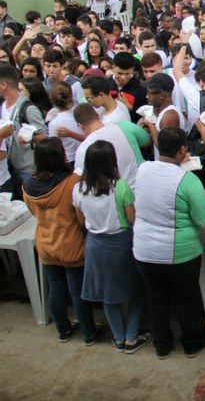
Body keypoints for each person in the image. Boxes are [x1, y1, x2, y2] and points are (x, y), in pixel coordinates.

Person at [132, 127, 205, 359]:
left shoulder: (144, 169)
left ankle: (162, 344)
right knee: (186, 298)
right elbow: (203, 217)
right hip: (177, 252)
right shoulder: (186, 180)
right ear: (182, 150)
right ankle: (192, 342)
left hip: (144, 249)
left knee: (156, 299)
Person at [73, 140, 149, 354]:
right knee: (135, 290)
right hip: (121, 243)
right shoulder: (120, 186)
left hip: (95, 244)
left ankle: (118, 337)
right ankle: (132, 337)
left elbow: (80, 220)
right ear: (111, 162)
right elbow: (131, 218)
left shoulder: (79, 188)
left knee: (108, 295)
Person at [23, 138, 99, 344]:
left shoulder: (28, 185)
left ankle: (63, 330)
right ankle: (89, 333)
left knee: (55, 289)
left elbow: (32, 212)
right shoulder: (72, 182)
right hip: (72, 244)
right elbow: (80, 213)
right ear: (60, 156)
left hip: (46, 244)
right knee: (77, 292)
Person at [73, 104, 150, 190]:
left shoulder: (83, 148)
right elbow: (147, 141)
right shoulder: (123, 126)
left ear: (80, 126)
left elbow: (81, 178)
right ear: (97, 115)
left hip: (116, 197)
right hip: (143, 186)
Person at [0, 63, 48, 197]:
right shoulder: (2, 105)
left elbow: (46, 136)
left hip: (28, 170)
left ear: (4, 85)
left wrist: (30, 137)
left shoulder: (27, 108)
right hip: (10, 170)